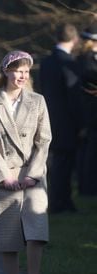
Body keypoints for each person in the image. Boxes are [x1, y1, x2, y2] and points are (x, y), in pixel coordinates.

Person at [0, 51, 52, 274]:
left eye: (25, 71)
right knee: (7, 236)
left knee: (36, 232)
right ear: (6, 71)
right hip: (3, 175)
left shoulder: (37, 101)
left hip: (33, 175)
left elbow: (44, 140)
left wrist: (33, 174)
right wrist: (4, 176)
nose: (21, 76)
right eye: (17, 70)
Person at [39, 23, 80, 213]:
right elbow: (73, 96)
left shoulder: (46, 62)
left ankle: (58, 201)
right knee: (65, 163)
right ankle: (61, 202)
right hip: (67, 121)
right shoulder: (69, 63)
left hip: (48, 117)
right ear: (74, 39)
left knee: (56, 162)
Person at [77, 23, 97, 195]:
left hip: (89, 107)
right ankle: (89, 187)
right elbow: (91, 78)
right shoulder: (87, 58)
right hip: (91, 108)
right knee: (91, 147)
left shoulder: (86, 57)